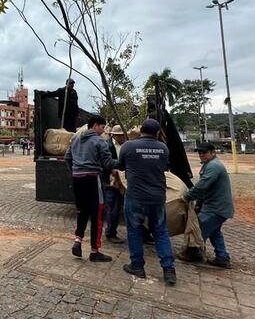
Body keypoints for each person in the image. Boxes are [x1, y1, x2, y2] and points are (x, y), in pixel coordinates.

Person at [118, 118, 177, 285]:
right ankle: (168, 270)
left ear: (141, 130)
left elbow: (121, 166)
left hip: (135, 197)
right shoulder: (163, 149)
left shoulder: (128, 146)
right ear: (157, 133)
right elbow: (164, 167)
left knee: (134, 231)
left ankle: (137, 266)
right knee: (160, 232)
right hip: (157, 198)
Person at [64, 114, 119, 262]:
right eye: (102, 127)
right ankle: (95, 251)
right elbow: (108, 163)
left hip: (77, 179)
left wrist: (75, 170)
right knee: (97, 215)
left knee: (81, 211)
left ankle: (78, 241)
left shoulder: (75, 138)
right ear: (94, 126)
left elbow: (67, 157)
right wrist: (121, 162)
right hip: (92, 180)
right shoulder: (99, 141)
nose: (103, 130)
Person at [183, 142, 234, 268]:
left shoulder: (213, 166)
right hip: (218, 207)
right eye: (199, 152)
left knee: (198, 230)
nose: (201, 155)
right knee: (214, 231)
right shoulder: (210, 165)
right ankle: (222, 257)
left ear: (213, 152)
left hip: (215, 208)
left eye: (204, 152)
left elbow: (202, 186)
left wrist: (187, 196)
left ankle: (193, 254)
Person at [103, 125, 126, 244]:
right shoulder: (107, 146)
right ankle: (110, 233)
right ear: (114, 135)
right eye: (120, 135)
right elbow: (102, 163)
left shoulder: (126, 145)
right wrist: (111, 170)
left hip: (124, 180)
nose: (122, 137)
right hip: (111, 182)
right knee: (113, 208)